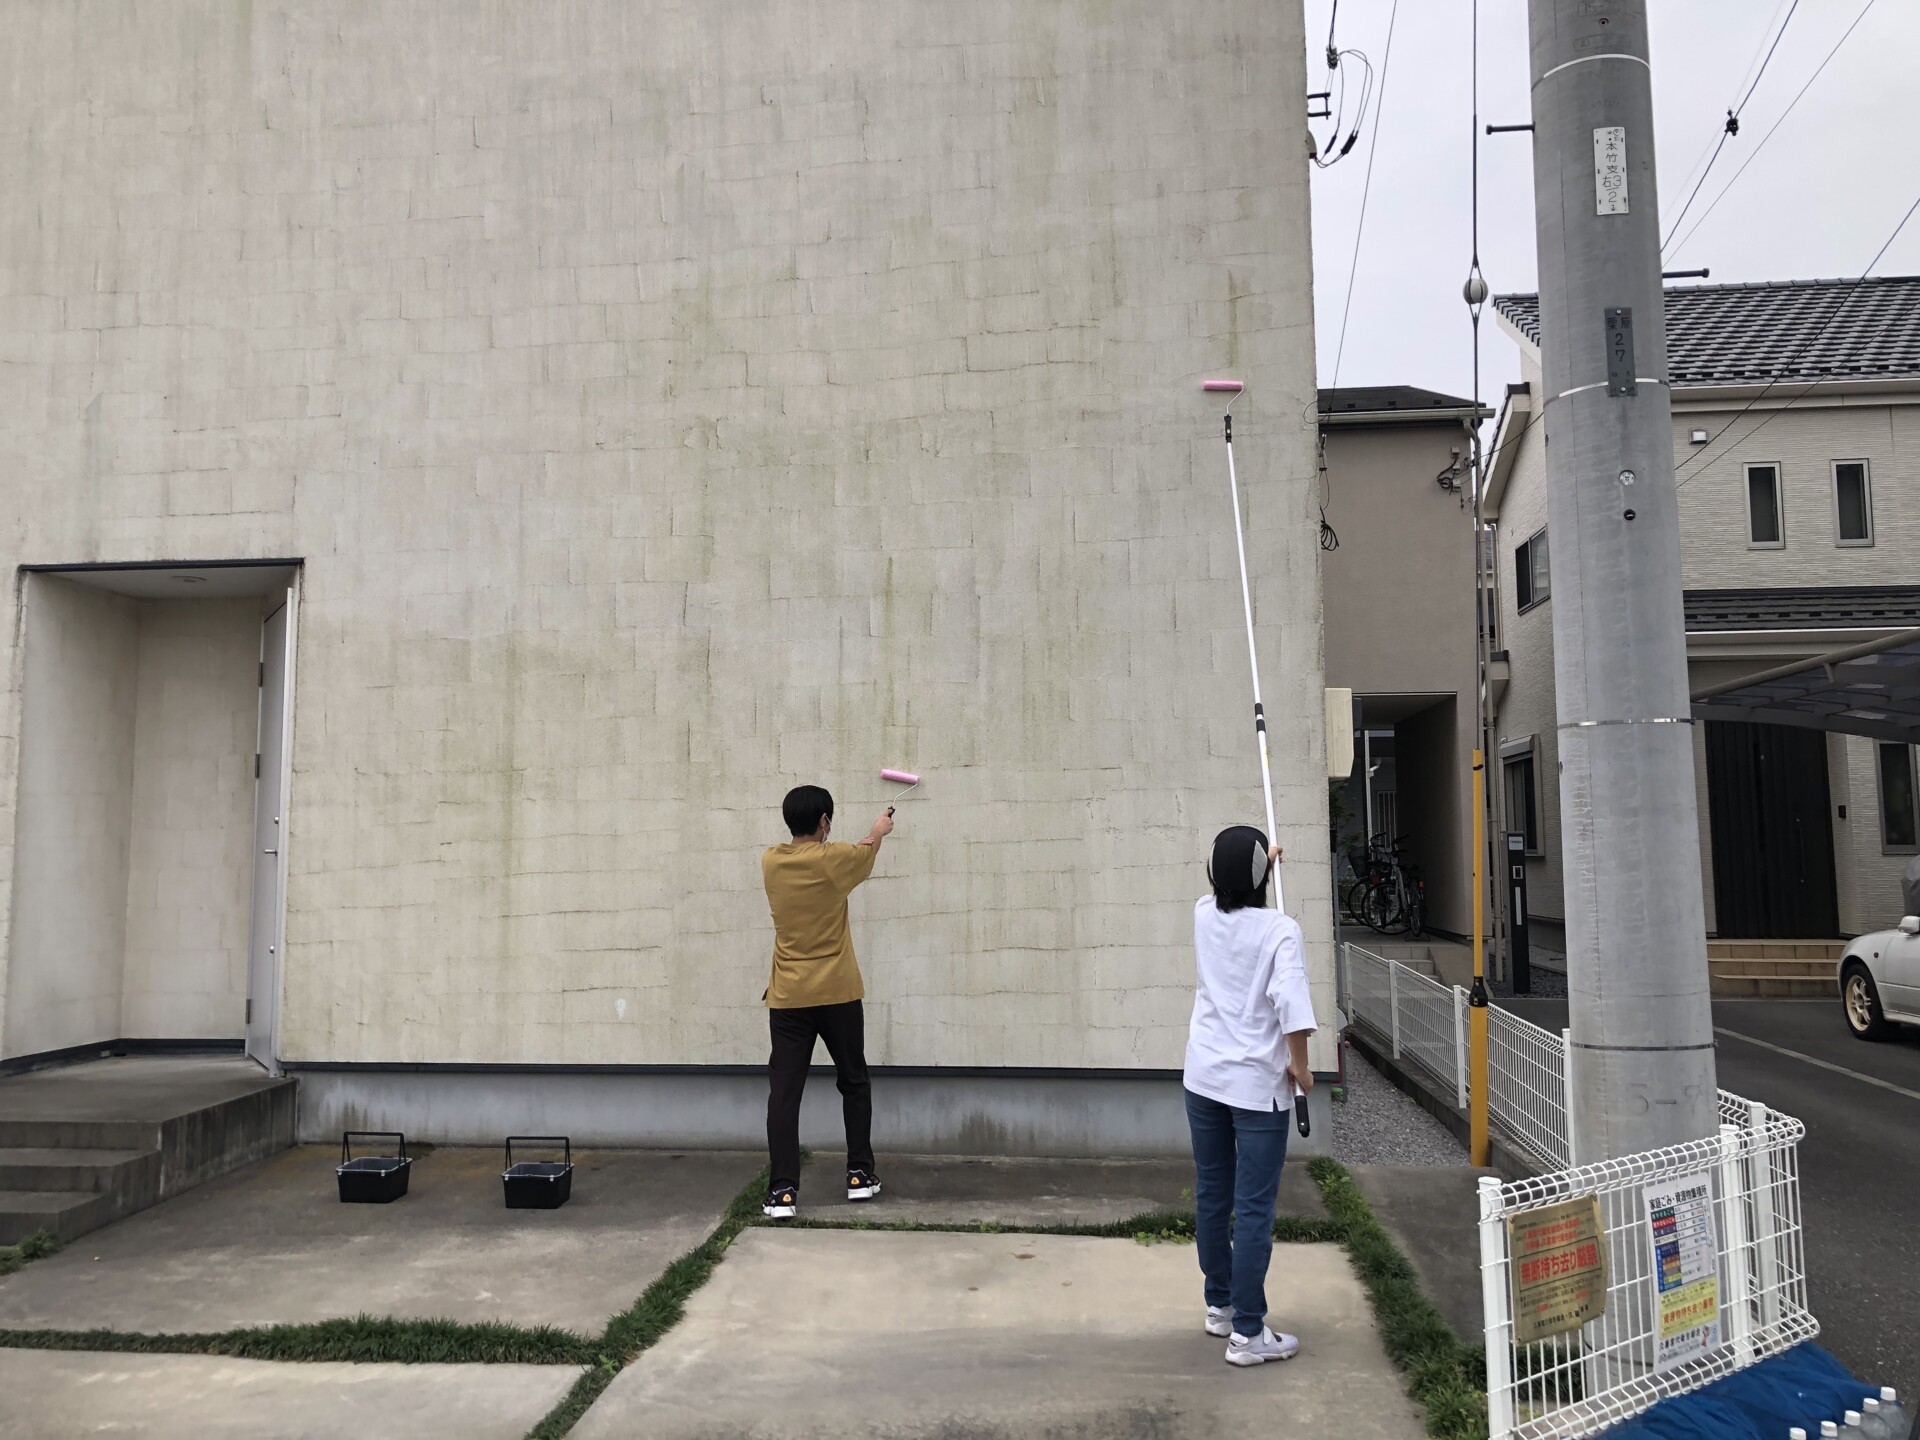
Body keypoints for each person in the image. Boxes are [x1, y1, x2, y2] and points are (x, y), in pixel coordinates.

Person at [1183, 824, 1317, 1367]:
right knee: (1254, 1207)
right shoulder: (1281, 931)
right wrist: (1301, 1068)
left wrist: (1262, 860)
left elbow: (1228, 886)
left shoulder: (1202, 915)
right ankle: (1248, 1334)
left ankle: (1220, 1307)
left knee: (1213, 1194)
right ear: (1262, 877)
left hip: (1203, 1079)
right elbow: (1292, 1004)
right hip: (1258, 1088)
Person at [760, 784, 893, 1220]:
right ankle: (859, 1174)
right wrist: (880, 828)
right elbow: (864, 853)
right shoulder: (835, 859)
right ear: (824, 821)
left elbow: (846, 854)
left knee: (785, 1093)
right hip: (838, 992)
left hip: (789, 997)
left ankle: (782, 1192)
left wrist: (865, 839)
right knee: (853, 1081)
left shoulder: (771, 862)